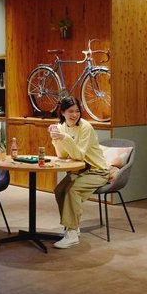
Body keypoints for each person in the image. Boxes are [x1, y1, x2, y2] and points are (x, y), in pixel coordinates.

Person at [48, 96, 111, 249]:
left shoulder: (85, 127)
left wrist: (65, 138)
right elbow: (62, 155)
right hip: (79, 170)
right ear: (62, 112)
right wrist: (56, 138)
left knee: (73, 190)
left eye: (77, 111)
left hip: (97, 171)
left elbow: (79, 155)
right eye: (70, 111)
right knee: (59, 190)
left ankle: (72, 233)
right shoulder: (62, 127)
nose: (75, 115)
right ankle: (73, 228)